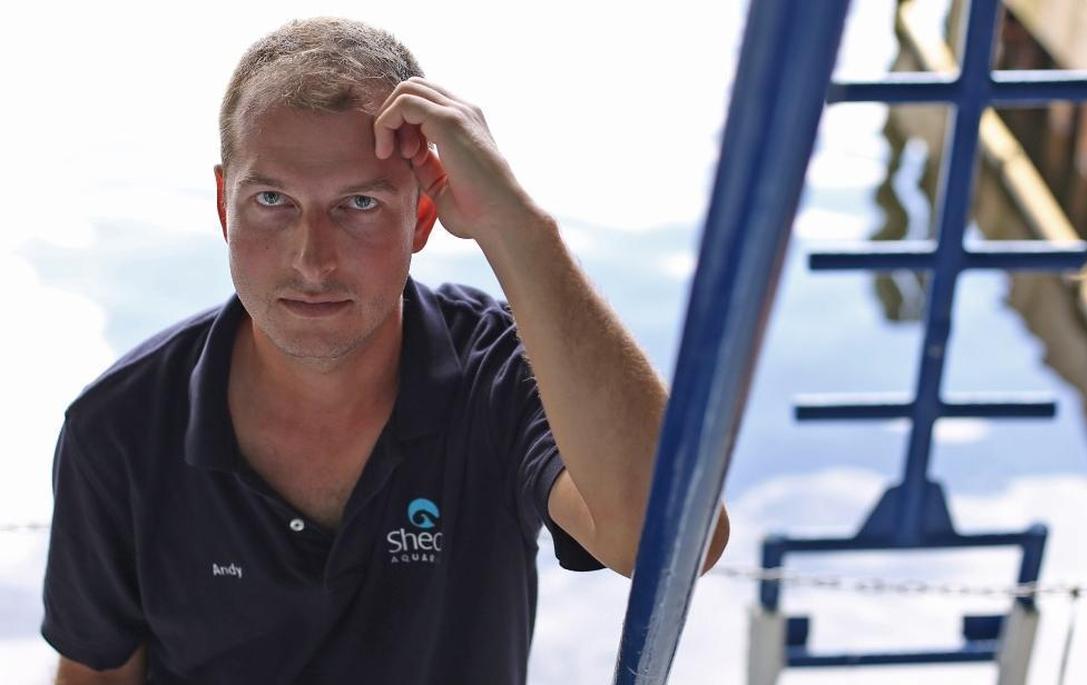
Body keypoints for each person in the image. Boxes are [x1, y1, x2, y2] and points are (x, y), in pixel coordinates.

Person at [41, 16, 730, 684]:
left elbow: (669, 544)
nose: (312, 259)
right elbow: (97, 674)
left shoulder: (499, 375)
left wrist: (515, 225)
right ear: (226, 206)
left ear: (423, 215)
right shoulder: (121, 425)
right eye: (274, 199)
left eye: (360, 204)